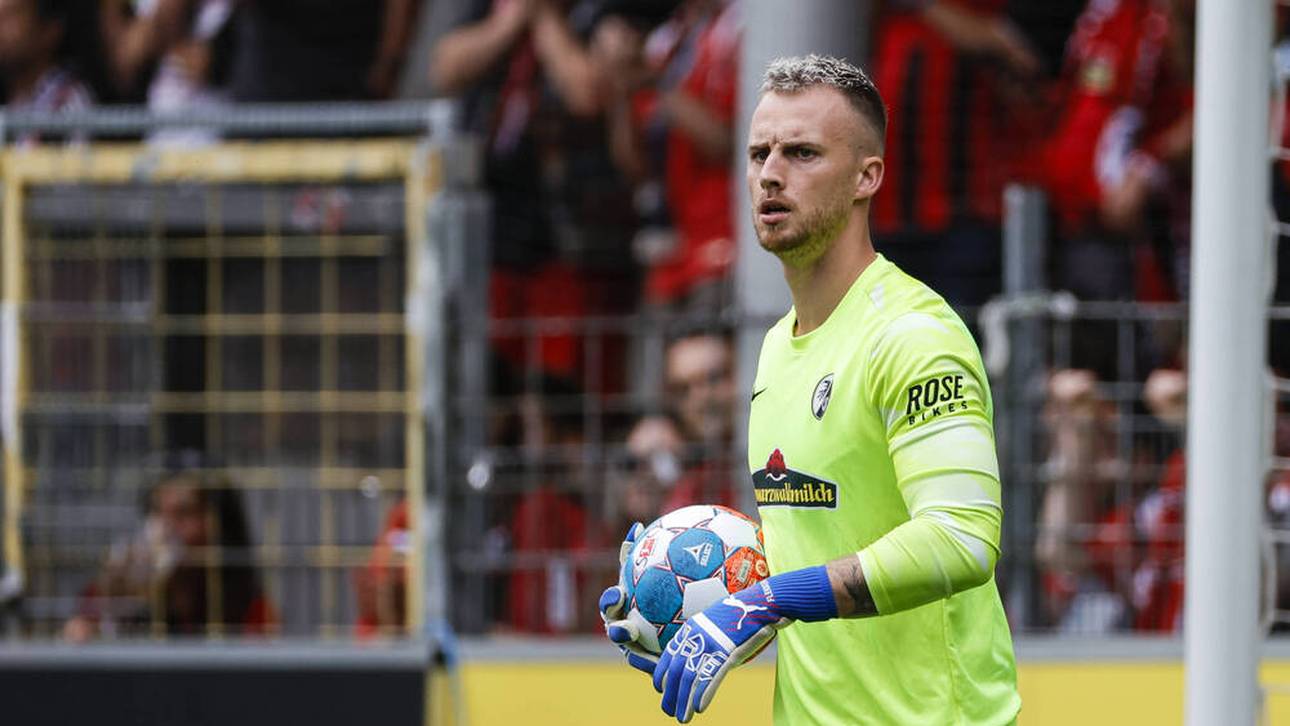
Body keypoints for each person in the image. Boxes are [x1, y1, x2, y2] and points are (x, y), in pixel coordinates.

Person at [599, 55, 1019, 723]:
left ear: (867, 176)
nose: (771, 173)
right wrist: (675, 596)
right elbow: (817, 546)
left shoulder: (914, 335)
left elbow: (960, 537)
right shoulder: (775, 348)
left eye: (801, 153)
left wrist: (764, 602)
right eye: (759, 152)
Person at [64, 466, 274, 639]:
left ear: (216, 526)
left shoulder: (250, 608)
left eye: (183, 513)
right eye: (157, 511)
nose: (165, 528)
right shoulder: (122, 582)